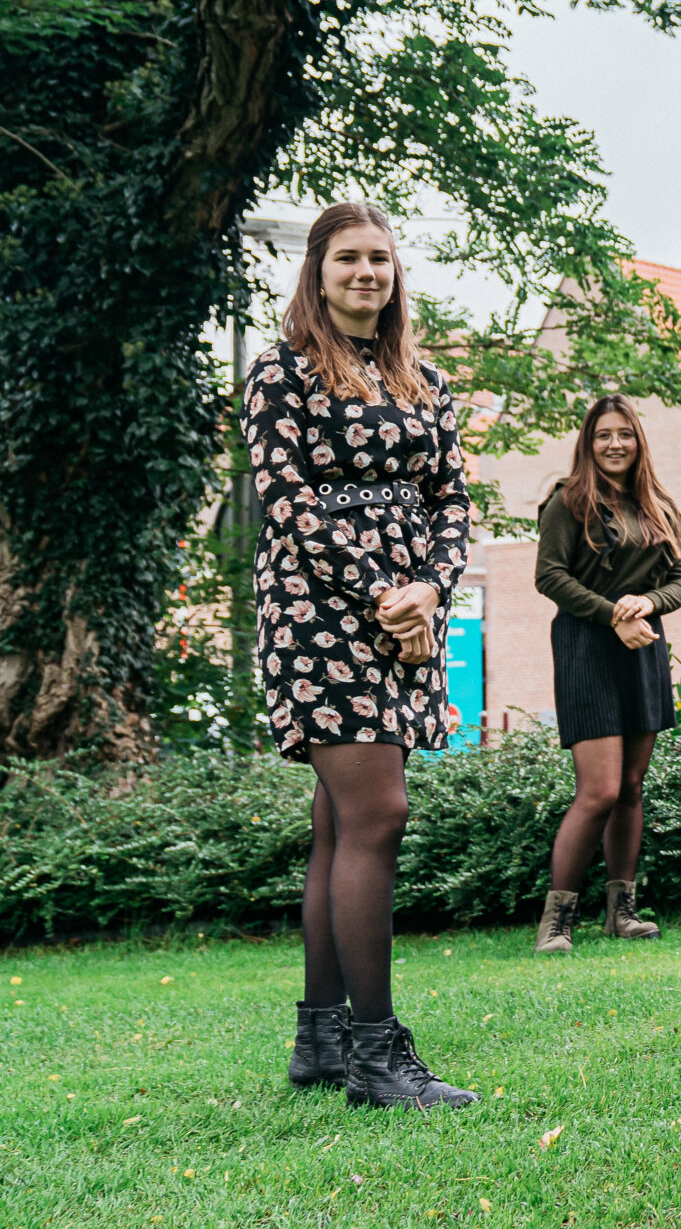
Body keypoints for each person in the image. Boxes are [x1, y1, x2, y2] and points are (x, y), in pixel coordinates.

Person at [244, 202, 477, 1108]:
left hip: (407, 612)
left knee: (340, 825)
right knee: (378, 814)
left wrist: (431, 589)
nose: (366, 273)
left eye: (380, 258)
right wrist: (385, 594)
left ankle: (322, 1037)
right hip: (317, 610)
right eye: (349, 258)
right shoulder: (280, 372)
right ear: (318, 269)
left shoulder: (424, 378)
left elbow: (454, 499)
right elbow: (288, 502)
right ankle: (377, 1056)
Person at [530, 395, 681, 953]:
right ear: (588, 442)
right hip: (585, 647)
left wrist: (643, 607)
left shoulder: (658, 505)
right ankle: (557, 920)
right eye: (603, 435)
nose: (615, 443)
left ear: (638, 440)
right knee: (598, 789)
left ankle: (620, 912)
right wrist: (612, 615)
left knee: (629, 787)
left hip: (642, 645)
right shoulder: (566, 502)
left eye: (625, 433)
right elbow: (549, 577)